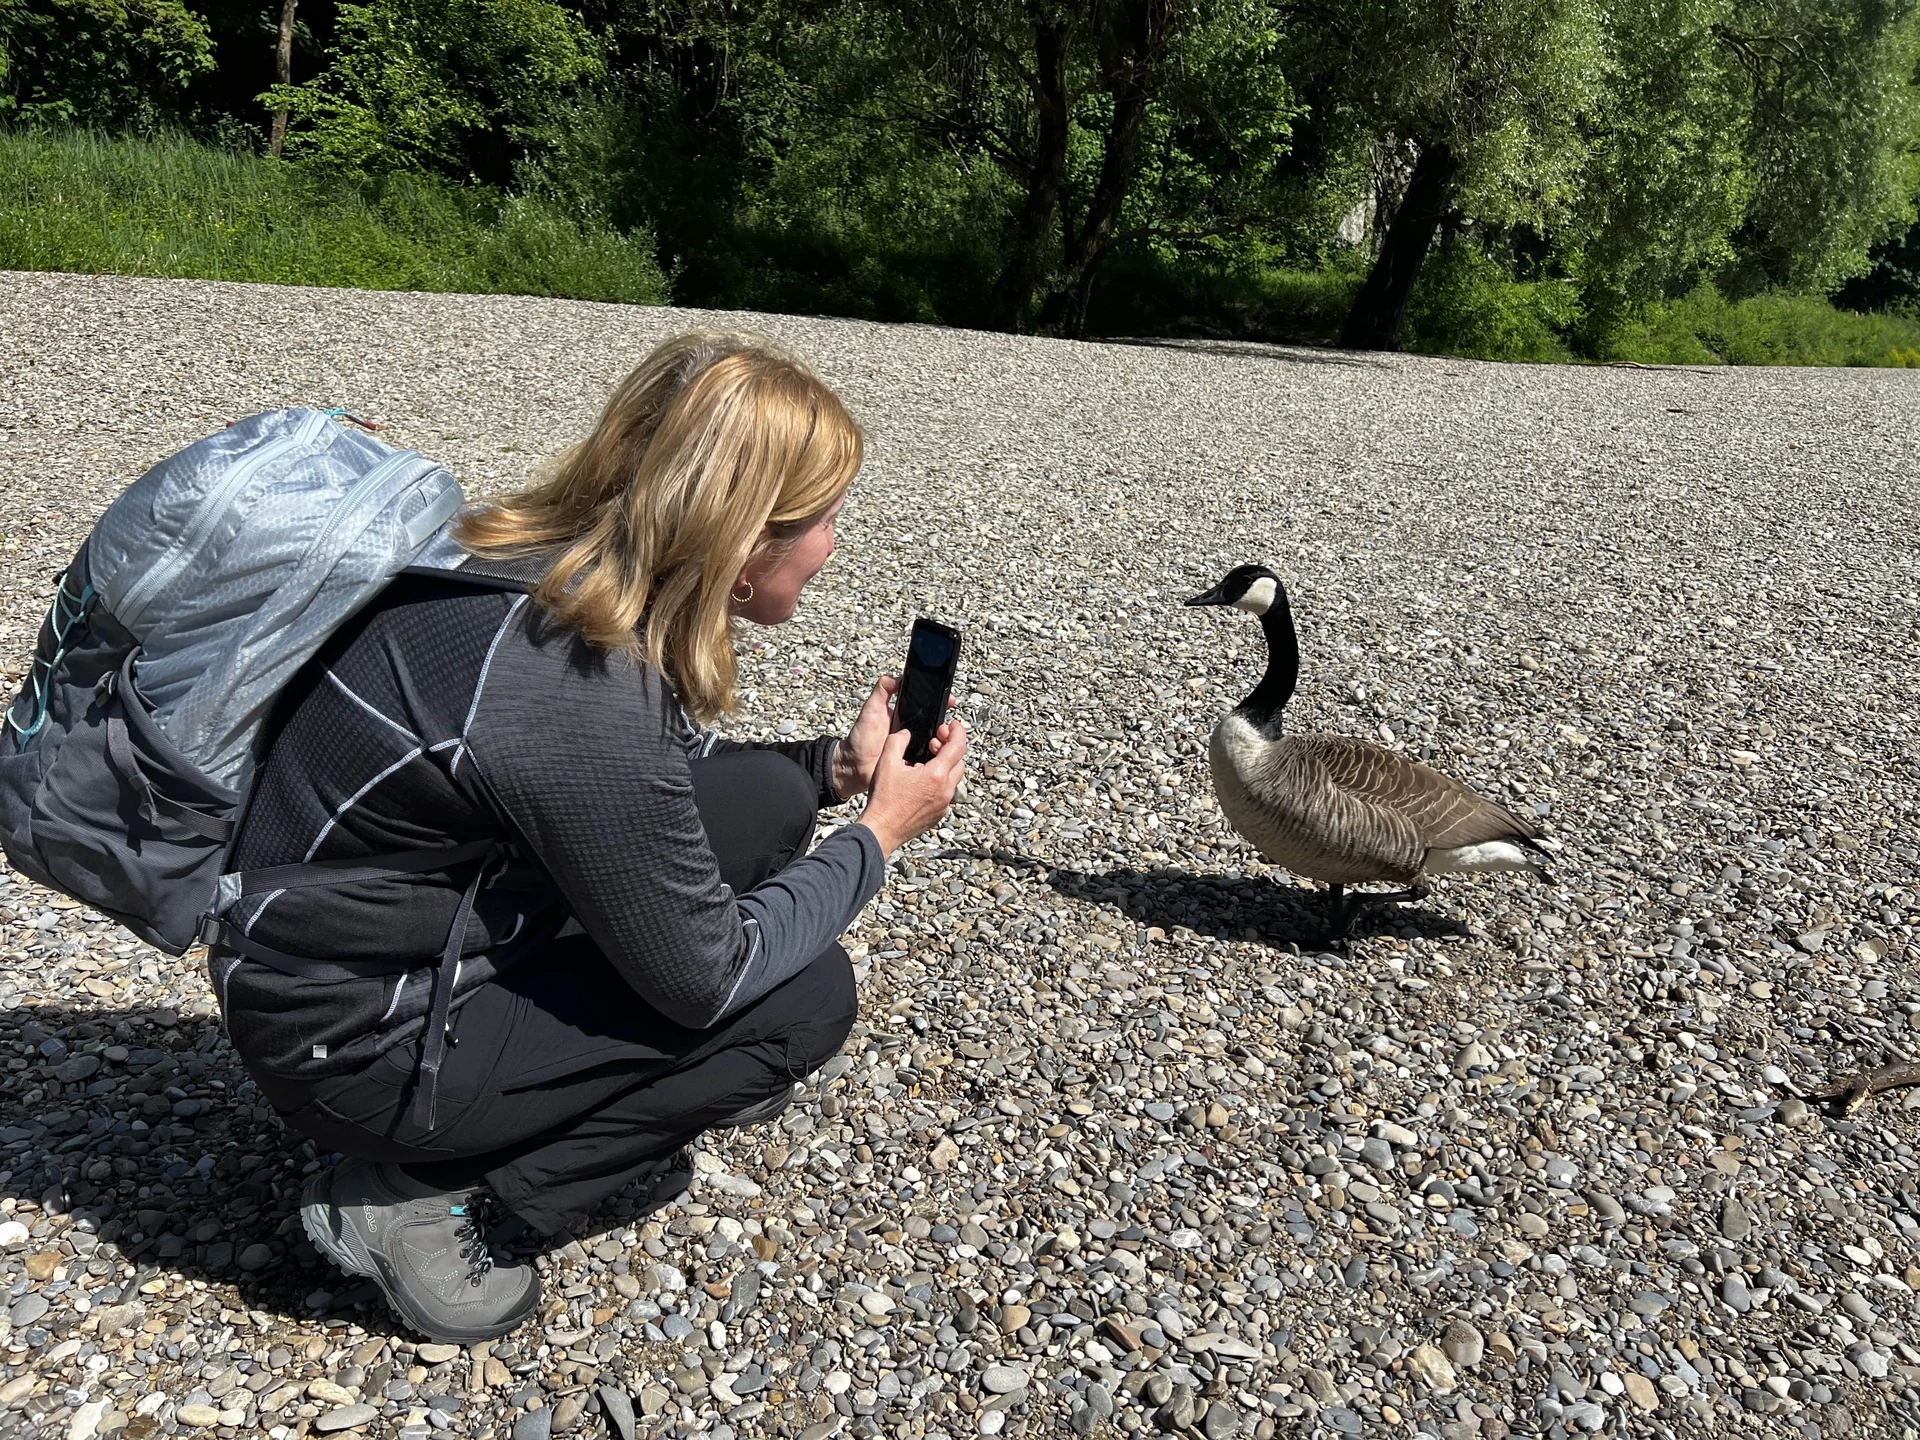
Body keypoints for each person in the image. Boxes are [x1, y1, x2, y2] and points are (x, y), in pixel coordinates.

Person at [212, 331, 968, 1343]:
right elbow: (705, 978)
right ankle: (438, 1211)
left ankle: (624, 1079)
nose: (834, 543)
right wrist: (879, 832)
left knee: (769, 799)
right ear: (749, 536)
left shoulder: (531, 568)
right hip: (358, 1046)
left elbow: (639, 783)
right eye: (827, 518)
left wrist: (834, 770)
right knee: (804, 998)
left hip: (330, 947)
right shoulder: (577, 688)